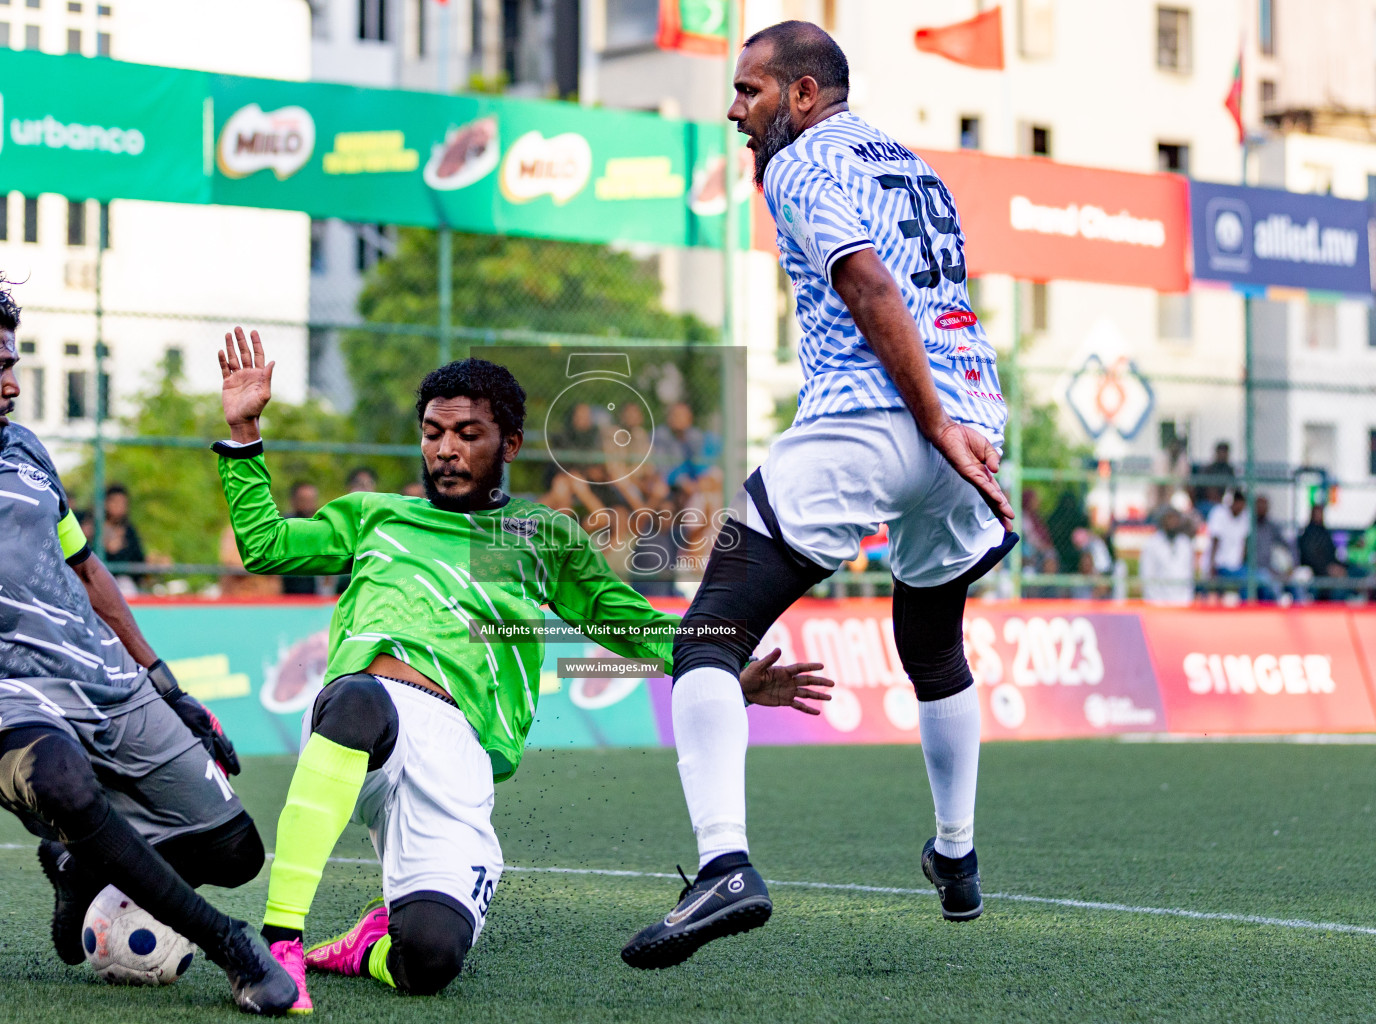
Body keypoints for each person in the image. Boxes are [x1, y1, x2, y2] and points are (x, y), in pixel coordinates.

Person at [211, 329, 832, 1008]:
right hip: (361, 721)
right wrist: (244, 432)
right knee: (356, 700)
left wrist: (715, 664)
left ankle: (372, 944)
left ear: (507, 444)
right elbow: (265, 546)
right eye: (432, 432)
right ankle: (279, 949)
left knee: (431, 960)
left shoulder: (540, 536)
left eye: (467, 432)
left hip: (458, 756)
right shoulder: (376, 517)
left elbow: (626, 623)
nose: (445, 448)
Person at [620, 21, 1017, 970]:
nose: (734, 110)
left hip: (881, 419)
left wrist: (922, 420)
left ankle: (723, 865)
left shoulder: (795, 167)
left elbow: (871, 285)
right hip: (976, 424)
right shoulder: (914, 165)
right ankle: (956, 858)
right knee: (932, 643)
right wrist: (952, 429)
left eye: (749, 91)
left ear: (803, 96)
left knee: (708, 636)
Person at [0, 261, 294, 1014]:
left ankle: (79, 866)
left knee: (235, 849)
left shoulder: (25, 454)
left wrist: (163, 683)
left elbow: (87, 570)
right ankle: (233, 948)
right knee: (58, 777)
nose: (14, 385)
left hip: (104, 681)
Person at [1140, 508, 1196, 606]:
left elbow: (1189, 574)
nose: (1173, 522)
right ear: (1162, 521)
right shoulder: (1152, 544)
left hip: (1183, 602)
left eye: (1175, 519)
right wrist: (1154, 602)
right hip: (1158, 602)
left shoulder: (1185, 543)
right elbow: (1147, 575)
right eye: (1169, 519)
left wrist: (1188, 600)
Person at [100, 483, 146, 592]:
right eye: (115, 502)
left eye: (122, 503)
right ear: (106, 503)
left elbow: (138, 558)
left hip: (124, 583)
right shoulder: (93, 528)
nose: (119, 506)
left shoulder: (129, 530)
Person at [1298, 503, 1348, 600]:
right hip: (1317, 572)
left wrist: (1340, 567)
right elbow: (1309, 559)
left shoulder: (1325, 533)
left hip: (1331, 569)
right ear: (1312, 515)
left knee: (1354, 573)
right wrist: (1328, 569)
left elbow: (1332, 555)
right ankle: (1334, 609)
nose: (1320, 516)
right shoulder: (1307, 536)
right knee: (1338, 587)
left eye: (1321, 513)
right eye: (1317, 513)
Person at [281, 481, 323, 596]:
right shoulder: (285, 525)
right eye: (303, 500)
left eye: (311, 499)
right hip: (288, 590)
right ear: (293, 500)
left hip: (317, 590)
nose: (308, 504)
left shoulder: (322, 524)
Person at [1206, 490, 1250, 597]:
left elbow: (1244, 543)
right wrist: (1211, 567)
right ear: (1233, 502)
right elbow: (1215, 541)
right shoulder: (1219, 512)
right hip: (1221, 566)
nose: (1240, 508)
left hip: (1237, 567)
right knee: (1246, 581)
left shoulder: (1245, 516)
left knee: (1257, 580)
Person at [1192, 442, 1235, 515]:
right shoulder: (1208, 469)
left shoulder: (1229, 469)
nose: (1223, 455)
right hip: (1206, 502)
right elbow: (1209, 492)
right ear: (1217, 453)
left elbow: (1232, 489)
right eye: (1221, 452)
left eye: (1225, 452)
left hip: (1224, 501)